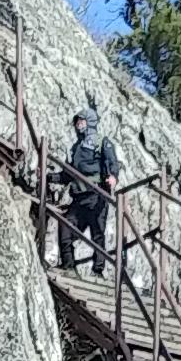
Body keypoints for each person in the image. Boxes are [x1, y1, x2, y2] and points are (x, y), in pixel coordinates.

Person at [57, 101, 118, 277]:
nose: (78, 125)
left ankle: (97, 271)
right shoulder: (75, 148)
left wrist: (113, 176)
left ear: (90, 122)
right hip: (78, 198)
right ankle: (69, 266)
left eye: (81, 121)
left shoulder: (102, 142)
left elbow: (112, 162)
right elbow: (67, 174)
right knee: (66, 226)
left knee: (97, 233)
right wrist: (48, 176)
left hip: (97, 195)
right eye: (77, 122)